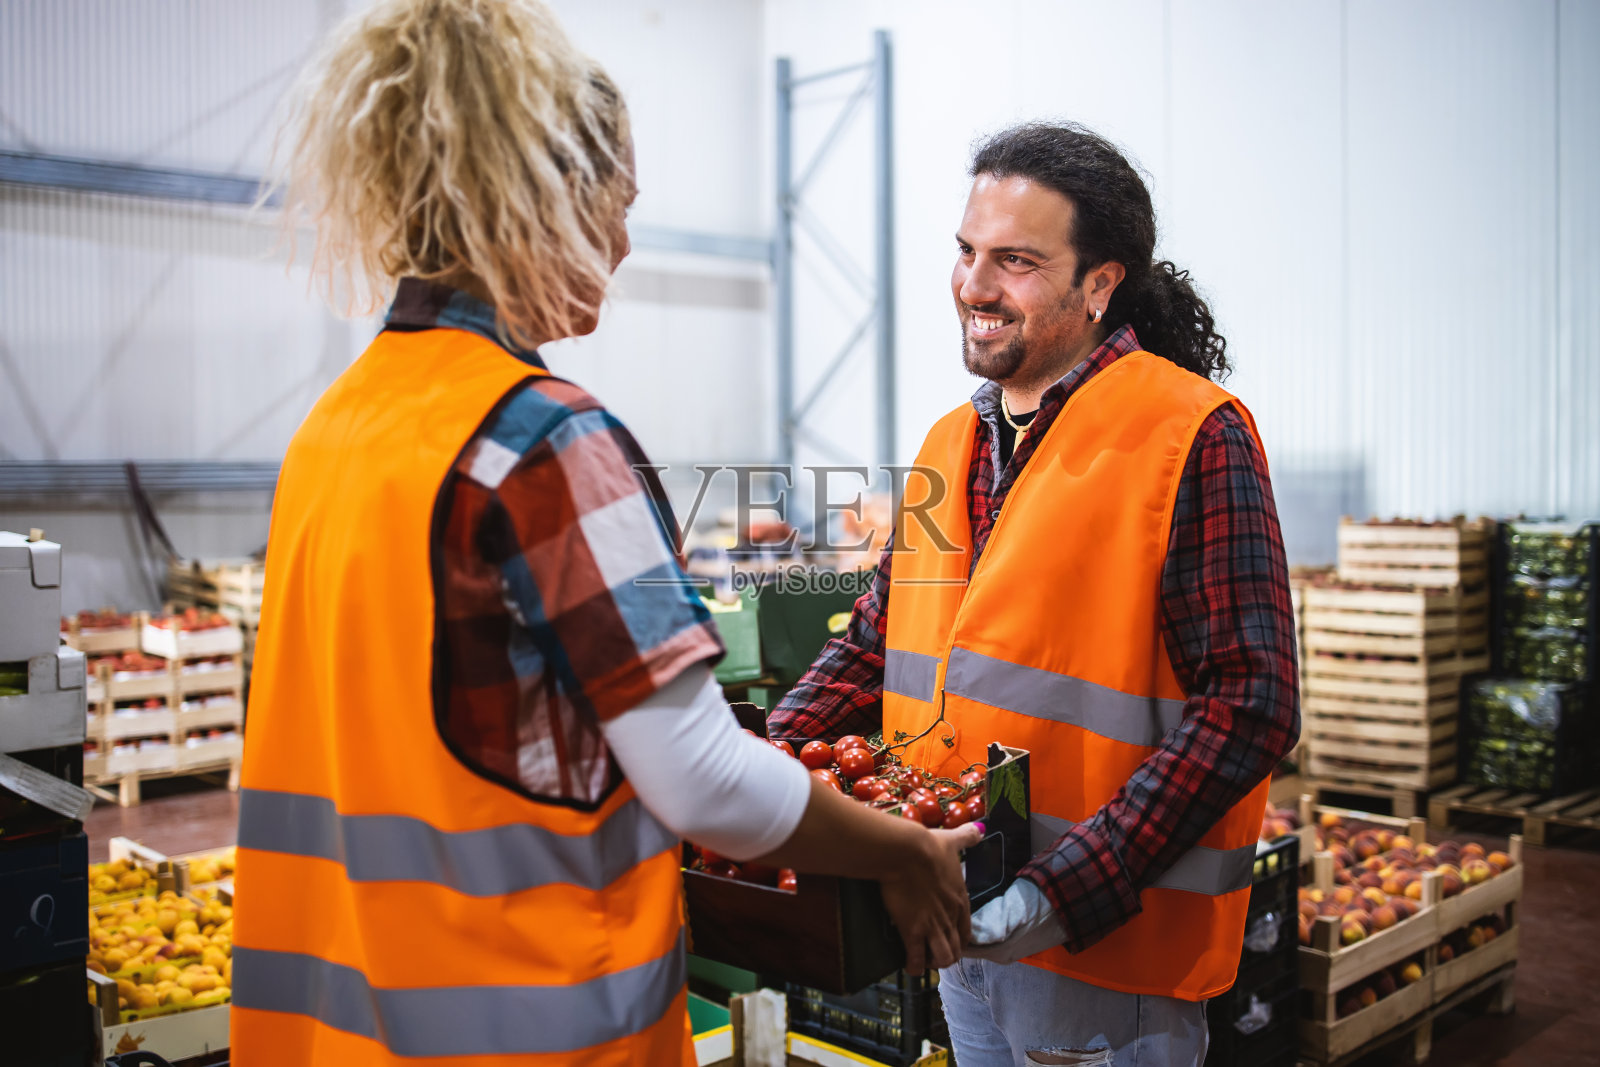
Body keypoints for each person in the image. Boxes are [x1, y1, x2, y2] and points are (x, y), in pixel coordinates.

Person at [229, 2, 978, 1064]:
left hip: (336, 1028)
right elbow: (703, 779)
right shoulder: (538, 437)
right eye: (616, 206)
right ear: (538, 195)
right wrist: (898, 848)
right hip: (524, 1024)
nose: (624, 245)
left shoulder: (337, 428)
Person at [769, 122, 1300, 1066]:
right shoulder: (948, 444)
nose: (975, 286)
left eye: (1015, 261)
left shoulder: (1191, 436)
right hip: (953, 921)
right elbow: (876, 641)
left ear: (1100, 284)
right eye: (968, 253)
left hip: (1105, 954)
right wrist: (760, 768)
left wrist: (1062, 892)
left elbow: (1251, 705)